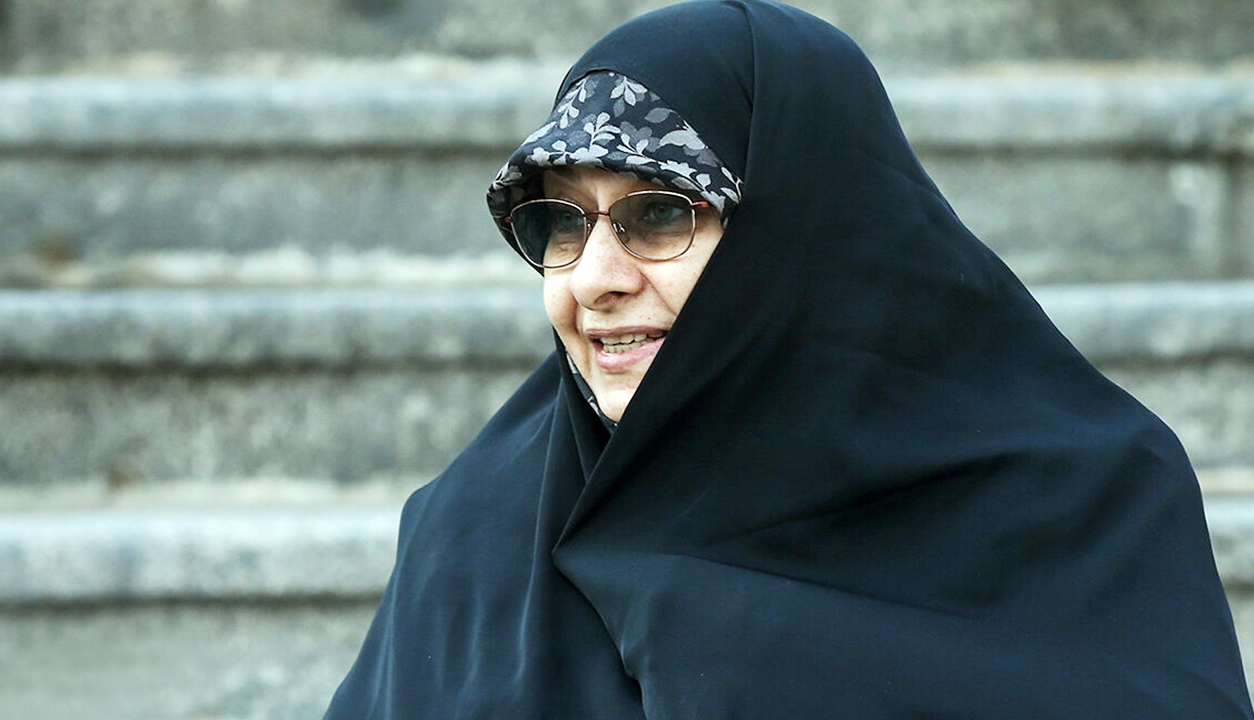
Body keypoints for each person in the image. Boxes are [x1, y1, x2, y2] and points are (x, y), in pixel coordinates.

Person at [323, 1, 1253, 717]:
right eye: (560, 223)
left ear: (803, 236)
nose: (595, 279)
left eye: (660, 212)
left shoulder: (1084, 514)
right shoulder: (478, 538)